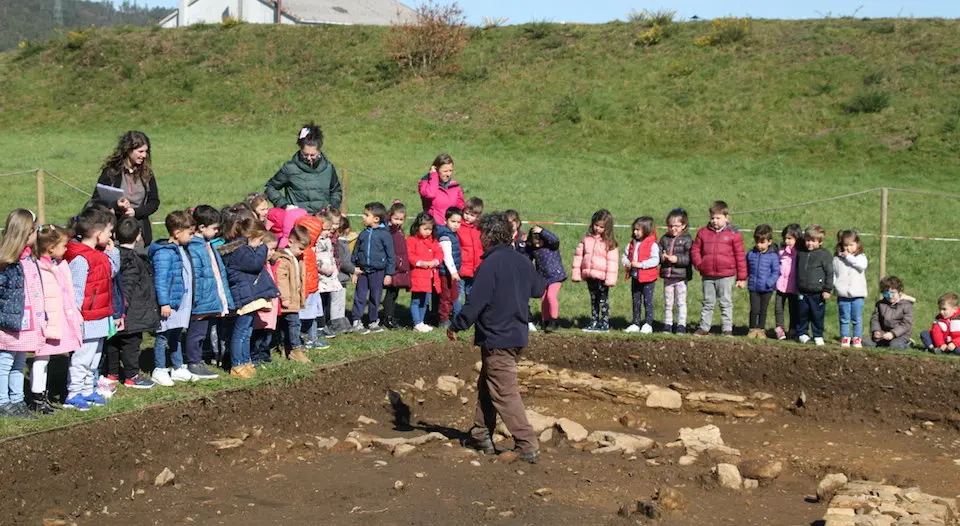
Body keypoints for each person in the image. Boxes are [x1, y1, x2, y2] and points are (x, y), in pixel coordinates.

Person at [448, 211, 546, 464]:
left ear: (489, 236)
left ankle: (526, 444)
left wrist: (457, 325)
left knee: (504, 391)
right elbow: (538, 289)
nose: (479, 238)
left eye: (481, 234)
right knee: (487, 385)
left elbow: (475, 302)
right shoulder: (522, 261)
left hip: (497, 337)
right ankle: (481, 434)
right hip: (516, 334)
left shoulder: (489, 264)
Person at [65, 207, 119, 408]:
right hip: (85, 318)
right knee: (82, 358)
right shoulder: (81, 258)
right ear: (98, 234)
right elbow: (77, 291)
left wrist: (113, 253)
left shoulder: (98, 255)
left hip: (99, 316)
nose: (111, 236)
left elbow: (110, 273)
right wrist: (76, 317)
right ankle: (73, 393)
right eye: (109, 232)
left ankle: (87, 390)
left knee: (94, 357)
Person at [32, 224, 83, 414]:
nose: (66, 248)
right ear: (51, 248)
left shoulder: (56, 266)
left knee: (45, 358)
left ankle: (42, 395)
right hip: (44, 321)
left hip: (54, 319)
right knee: (41, 358)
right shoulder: (40, 269)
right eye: (63, 245)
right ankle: (38, 397)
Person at [220, 220, 280, 378]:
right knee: (241, 332)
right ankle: (237, 365)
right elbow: (255, 264)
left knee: (247, 332)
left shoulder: (243, 250)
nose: (261, 244)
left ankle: (245, 361)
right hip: (243, 296)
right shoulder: (241, 251)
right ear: (249, 236)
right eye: (259, 240)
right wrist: (263, 247)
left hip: (248, 295)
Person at [105, 217, 159, 389]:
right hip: (130, 313)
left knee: (113, 343)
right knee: (131, 345)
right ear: (138, 236)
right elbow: (126, 287)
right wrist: (121, 310)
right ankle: (131, 375)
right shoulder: (132, 260)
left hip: (117, 311)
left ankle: (112, 373)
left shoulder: (112, 255)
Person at [0, 209, 43, 419]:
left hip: (25, 323)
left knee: (19, 361)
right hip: (9, 323)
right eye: (36, 230)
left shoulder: (29, 259)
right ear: (27, 232)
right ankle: (2, 402)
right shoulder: (7, 264)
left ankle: (16, 400)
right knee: (5, 363)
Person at [147, 211, 196, 385]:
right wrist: (164, 302)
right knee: (162, 336)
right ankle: (159, 369)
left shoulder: (180, 250)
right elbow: (160, 280)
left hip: (178, 302)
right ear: (177, 232)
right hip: (168, 304)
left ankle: (177, 367)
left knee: (176, 333)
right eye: (190, 233)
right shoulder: (164, 253)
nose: (192, 237)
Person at [185, 205, 233, 379]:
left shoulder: (206, 245)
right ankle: (193, 362)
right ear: (202, 227)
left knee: (202, 332)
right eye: (214, 228)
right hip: (201, 300)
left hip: (208, 298)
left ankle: (198, 360)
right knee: (196, 333)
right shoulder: (195, 247)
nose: (217, 231)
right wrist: (197, 300)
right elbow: (196, 277)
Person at [91, 131, 161, 245]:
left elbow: (154, 202)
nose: (144, 155)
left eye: (146, 152)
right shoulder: (111, 172)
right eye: (140, 151)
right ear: (129, 150)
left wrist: (135, 212)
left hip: (139, 232)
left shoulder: (147, 174)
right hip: (115, 232)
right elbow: (97, 199)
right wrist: (116, 206)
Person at [692, 201, 747, 336]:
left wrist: (741, 277)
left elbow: (740, 256)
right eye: (712, 218)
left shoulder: (734, 234)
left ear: (726, 217)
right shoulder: (703, 233)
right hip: (708, 274)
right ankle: (704, 328)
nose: (714, 221)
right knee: (708, 302)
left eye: (718, 218)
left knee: (725, 302)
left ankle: (727, 329)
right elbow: (695, 250)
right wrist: (700, 264)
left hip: (726, 275)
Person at [264, 123, 342, 214]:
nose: (309, 158)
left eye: (312, 155)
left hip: (323, 221)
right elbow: (270, 187)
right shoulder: (290, 168)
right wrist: (284, 205)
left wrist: (333, 206)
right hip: (298, 222)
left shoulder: (328, 168)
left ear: (319, 150)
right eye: (305, 154)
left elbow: (336, 191)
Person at [350, 202, 395, 334]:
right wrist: (354, 270)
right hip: (362, 272)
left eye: (366, 215)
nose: (363, 217)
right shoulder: (363, 234)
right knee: (360, 296)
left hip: (378, 272)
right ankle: (356, 321)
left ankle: (373, 321)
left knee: (375, 297)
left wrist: (389, 274)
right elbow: (356, 252)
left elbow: (390, 256)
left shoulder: (385, 235)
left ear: (376, 219)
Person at [571, 209, 619, 333]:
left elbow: (612, 262)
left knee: (603, 299)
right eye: (596, 225)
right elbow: (578, 256)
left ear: (607, 228)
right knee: (594, 299)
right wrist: (577, 274)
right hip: (590, 274)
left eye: (601, 227)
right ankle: (594, 320)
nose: (598, 228)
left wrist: (610, 279)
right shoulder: (586, 239)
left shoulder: (609, 242)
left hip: (602, 277)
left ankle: (605, 322)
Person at [274, 225, 311, 363]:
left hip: (294, 298)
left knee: (287, 324)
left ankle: (286, 348)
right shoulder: (284, 259)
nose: (302, 252)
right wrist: (285, 298)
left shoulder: (296, 258)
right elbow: (281, 280)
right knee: (294, 324)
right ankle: (296, 349)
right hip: (288, 300)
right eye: (300, 248)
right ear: (290, 242)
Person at [795, 224, 834, 346]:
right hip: (802, 291)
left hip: (817, 292)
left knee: (817, 315)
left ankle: (818, 335)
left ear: (820, 242)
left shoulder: (824, 254)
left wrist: (827, 289)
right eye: (807, 240)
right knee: (802, 314)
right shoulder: (801, 253)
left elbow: (829, 272)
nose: (809, 243)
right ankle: (802, 333)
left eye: (813, 241)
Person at [622, 216, 659, 334]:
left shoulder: (652, 244)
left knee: (647, 301)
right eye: (634, 229)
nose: (635, 232)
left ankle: (648, 323)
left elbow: (655, 260)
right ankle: (635, 323)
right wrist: (627, 263)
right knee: (635, 300)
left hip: (648, 278)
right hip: (635, 277)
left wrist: (641, 265)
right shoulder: (632, 243)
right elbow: (625, 255)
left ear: (646, 230)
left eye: (638, 230)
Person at [525, 225, 565, 333]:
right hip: (542, 277)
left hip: (555, 276)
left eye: (539, 241)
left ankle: (554, 320)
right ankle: (545, 321)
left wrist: (543, 231)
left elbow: (555, 239)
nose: (537, 244)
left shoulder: (551, 246)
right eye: (535, 242)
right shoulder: (533, 249)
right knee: (543, 299)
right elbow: (526, 256)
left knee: (551, 296)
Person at [658, 208, 693, 334]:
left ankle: (681, 324)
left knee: (681, 302)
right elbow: (658, 253)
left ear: (683, 225)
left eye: (677, 226)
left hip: (681, 277)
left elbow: (689, 258)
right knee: (668, 302)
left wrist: (676, 259)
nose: (673, 229)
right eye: (671, 226)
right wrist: (662, 257)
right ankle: (668, 323)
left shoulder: (687, 239)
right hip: (668, 276)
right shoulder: (664, 239)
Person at [406, 213, 442, 333]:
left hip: (429, 277)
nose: (428, 232)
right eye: (425, 229)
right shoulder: (412, 240)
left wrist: (435, 261)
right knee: (416, 300)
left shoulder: (433, 241)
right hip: (417, 276)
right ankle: (417, 322)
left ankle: (421, 322)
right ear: (418, 227)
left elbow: (439, 253)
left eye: (430, 229)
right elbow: (410, 256)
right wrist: (420, 263)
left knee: (425, 301)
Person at [833, 230, 868, 348]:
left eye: (851, 245)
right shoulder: (837, 259)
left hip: (857, 294)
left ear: (857, 244)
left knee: (856, 318)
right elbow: (834, 274)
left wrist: (849, 257)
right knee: (844, 318)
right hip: (843, 294)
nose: (848, 248)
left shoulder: (861, 258)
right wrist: (834, 286)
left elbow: (861, 266)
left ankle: (857, 338)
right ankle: (845, 338)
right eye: (846, 245)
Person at [745, 224, 780, 339]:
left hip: (767, 289)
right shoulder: (751, 254)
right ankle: (752, 329)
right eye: (757, 241)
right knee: (754, 309)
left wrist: (769, 283)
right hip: (754, 287)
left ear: (769, 242)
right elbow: (746, 268)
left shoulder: (773, 256)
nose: (759, 245)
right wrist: (743, 278)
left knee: (763, 310)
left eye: (762, 242)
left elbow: (776, 272)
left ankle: (760, 329)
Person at [863, 275, 914, 349]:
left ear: (899, 292)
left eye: (893, 293)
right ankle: (884, 344)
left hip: (900, 335)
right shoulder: (880, 304)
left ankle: (908, 343)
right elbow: (875, 319)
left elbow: (906, 324)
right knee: (865, 342)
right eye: (887, 293)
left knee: (895, 346)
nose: (890, 296)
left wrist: (893, 333)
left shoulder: (906, 305)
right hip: (883, 333)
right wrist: (876, 330)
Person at [382, 201, 411, 330]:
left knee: (394, 294)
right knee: (390, 294)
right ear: (390, 216)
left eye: (401, 219)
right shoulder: (389, 232)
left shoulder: (399, 231)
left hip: (398, 268)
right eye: (396, 219)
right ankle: (387, 318)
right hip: (392, 267)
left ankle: (390, 317)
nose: (398, 222)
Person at [436, 207, 464, 329]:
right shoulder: (445, 236)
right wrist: (453, 271)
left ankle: (450, 316)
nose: (456, 225)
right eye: (453, 221)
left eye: (458, 222)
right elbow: (447, 256)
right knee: (446, 297)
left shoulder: (452, 235)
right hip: (446, 273)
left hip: (451, 272)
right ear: (445, 220)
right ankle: (443, 320)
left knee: (452, 295)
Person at [419, 154, 465, 225]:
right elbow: (430, 194)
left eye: (450, 171)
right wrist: (433, 175)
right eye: (445, 171)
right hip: (433, 227)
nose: (448, 174)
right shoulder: (425, 183)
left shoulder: (455, 186)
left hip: (451, 229)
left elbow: (461, 207)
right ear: (436, 169)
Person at [774, 224, 802, 340]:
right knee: (778, 307)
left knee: (793, 309)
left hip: (794, 287)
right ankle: (779, 328)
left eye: (790, 238)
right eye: (785, 238)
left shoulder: (799, 254)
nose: (787, 241)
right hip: (781, 285)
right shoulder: (781, 252)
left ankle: (793, 329)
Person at [457, 197, 484, 302]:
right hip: (461, 267)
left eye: (472, 215)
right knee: (458, 295)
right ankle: (456, 315)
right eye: (466, 213)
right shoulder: (458, 227)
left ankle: (470, 316)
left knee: (472, 294)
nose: (468, 217)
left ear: (478, 216)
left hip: (475, 268)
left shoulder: (479, 229)